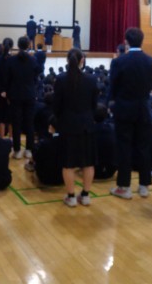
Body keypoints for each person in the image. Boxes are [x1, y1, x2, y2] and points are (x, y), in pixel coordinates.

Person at [109, 27, 152, 199]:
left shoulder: (119, 62)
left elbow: (113, 86)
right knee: (143, 147)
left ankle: (124, 187)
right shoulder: (151, 61)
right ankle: (144, 185)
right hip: (143, 109)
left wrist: (112, 103)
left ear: (126, 41)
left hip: (124, 109)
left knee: (124, 147)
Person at [52, 48, 99, 207]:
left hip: (67, 125)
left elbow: (56, 106)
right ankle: (85, 196)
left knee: (68, 163)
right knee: (88, 163)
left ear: (67, 60)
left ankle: (71, 197)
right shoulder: (91, 79)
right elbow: (94, 105)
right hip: (87, 125)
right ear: (82, 61)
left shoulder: (61, 79)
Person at [3, 36, 40, 159]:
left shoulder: (11, 60)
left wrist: (8, 93)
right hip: (30, 94)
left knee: (16, 123)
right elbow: (37, 76)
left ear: (18, 45)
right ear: (29, 45)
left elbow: (7, 79)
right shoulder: (33, 59)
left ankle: (17, 150)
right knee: (30, 123)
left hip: (15, 95)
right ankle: (29, 149)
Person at [0, 38, 13, 137]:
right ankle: (12, 140)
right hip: (12, 92)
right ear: (12, 47)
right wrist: (9, 91)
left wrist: (2, 91)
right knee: (11, 117)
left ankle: (1, 139)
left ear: (3, 46)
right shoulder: (14, 59)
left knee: (1, 117)